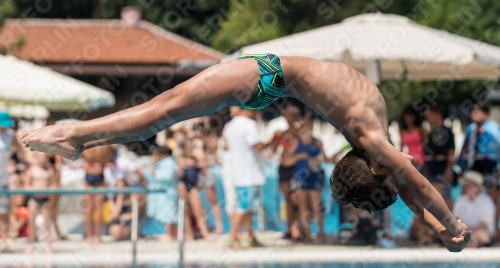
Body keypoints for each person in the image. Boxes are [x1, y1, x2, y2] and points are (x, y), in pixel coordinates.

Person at [19, 53, 470, 251]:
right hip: (265, 77)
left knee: (162, 112)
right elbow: (417, 189)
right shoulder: (373, 141)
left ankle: (77, 136)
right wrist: (448, 227)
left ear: (377, 169)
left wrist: (448, 228)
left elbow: (413, 189)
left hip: (263, 77)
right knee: (161, 112)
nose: (404, 167)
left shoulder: (372, 140)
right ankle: (79, 136)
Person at [223, 107, 265, 249]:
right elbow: (258, 146)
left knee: (248, 207)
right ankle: (231, 237)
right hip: (250, 174)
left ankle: (249, 237)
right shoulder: (249, 124)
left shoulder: (229, 125)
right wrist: (274, 141)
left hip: (239, 172)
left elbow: (225, 146)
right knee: (244, 206)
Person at [290, 118, 327, 242]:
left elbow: (325, 158)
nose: (303, 129)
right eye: (301, 127)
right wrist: (299, 156)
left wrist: (319, 159)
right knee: (303, 206)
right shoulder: (296, 142)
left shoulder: (317, 142)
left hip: (315, 175)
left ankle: (321, 232)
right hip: (300, 177)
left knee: (316, 205)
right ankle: (307, 234)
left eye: (306, 127)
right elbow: (286, 160)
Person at [270, 104, 301, 239]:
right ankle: (291, 228)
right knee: (288, 199)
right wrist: (276, 138)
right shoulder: (281, 132)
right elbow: (273, 149)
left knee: (296, 200)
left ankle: (297, 228)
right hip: (284, 168)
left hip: (296, 168)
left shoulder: (300, 132)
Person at [138, 146, 178, 242]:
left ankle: (170, 235)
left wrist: (155, 172)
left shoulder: (169, 163)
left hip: (168, 194)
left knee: (169, 215)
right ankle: (169, 234)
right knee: (166, 215)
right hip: (164, 194)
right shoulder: (164, 163)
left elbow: (167, 177)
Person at [177, 139, 211, 241]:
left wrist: (201, 162)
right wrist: (181, 168)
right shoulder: (181, 160)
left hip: (193, 187)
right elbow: (178, 176)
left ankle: (205, 234)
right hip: (183, 186)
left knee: (199, 211)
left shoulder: (197, 159)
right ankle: (189, 234)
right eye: (187, 147)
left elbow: (204, 173)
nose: (190, 148)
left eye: (191, 146)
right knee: (186, 211)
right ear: (183, 149)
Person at [453, 171, 496, 248]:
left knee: (481, 235)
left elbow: (485, 225)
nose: (465, 187)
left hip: (481, 233)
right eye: (465, 185)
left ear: (476, 187)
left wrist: (468, 233)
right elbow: (456, 220)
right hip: (465, 233)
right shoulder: (460, 200)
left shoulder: (486, 200)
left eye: (468, 185)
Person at [24, 152, 56, 254]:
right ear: (37, 158)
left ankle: (48, 245)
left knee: (47, 224)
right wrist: (35, 191)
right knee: (32, 223)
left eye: (44, 157)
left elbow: (54, 184)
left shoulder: (49, 171)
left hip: (45, 199)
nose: (42, 159)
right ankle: (31, 245)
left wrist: (47, 191)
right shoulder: (31, 171)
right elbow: (27, 185)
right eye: (40, 157)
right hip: (34, 198)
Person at [82, 145, 114, 243]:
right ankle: (98, 237)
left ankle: (89, 236)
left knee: (89, 209)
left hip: (89, 173)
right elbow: (111, 157)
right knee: (98, 208)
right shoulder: (105, 145)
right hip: (100, 173)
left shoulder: (87, 144)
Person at [423, 106, 455, 204]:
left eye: (429, 117)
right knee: (432, 202)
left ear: (437, 114)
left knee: (445, 200)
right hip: (432, 172)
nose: (427, 120)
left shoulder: (447, 132)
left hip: (443, 172)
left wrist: (448, 171)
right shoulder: (432, 133)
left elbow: (451, 152)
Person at [0, 111, 21, 253]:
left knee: (4, 213)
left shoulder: (10, 135)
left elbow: (22, 154)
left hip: (3, 180)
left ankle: (5, 241)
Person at [400, 105, 427, 172]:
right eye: (406, 115)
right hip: (409, 164)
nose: (407, 118)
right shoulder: (403, 132)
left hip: (421, 163)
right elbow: (401, 149)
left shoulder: (420, 129)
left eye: (410, 115)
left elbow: (427, 145)